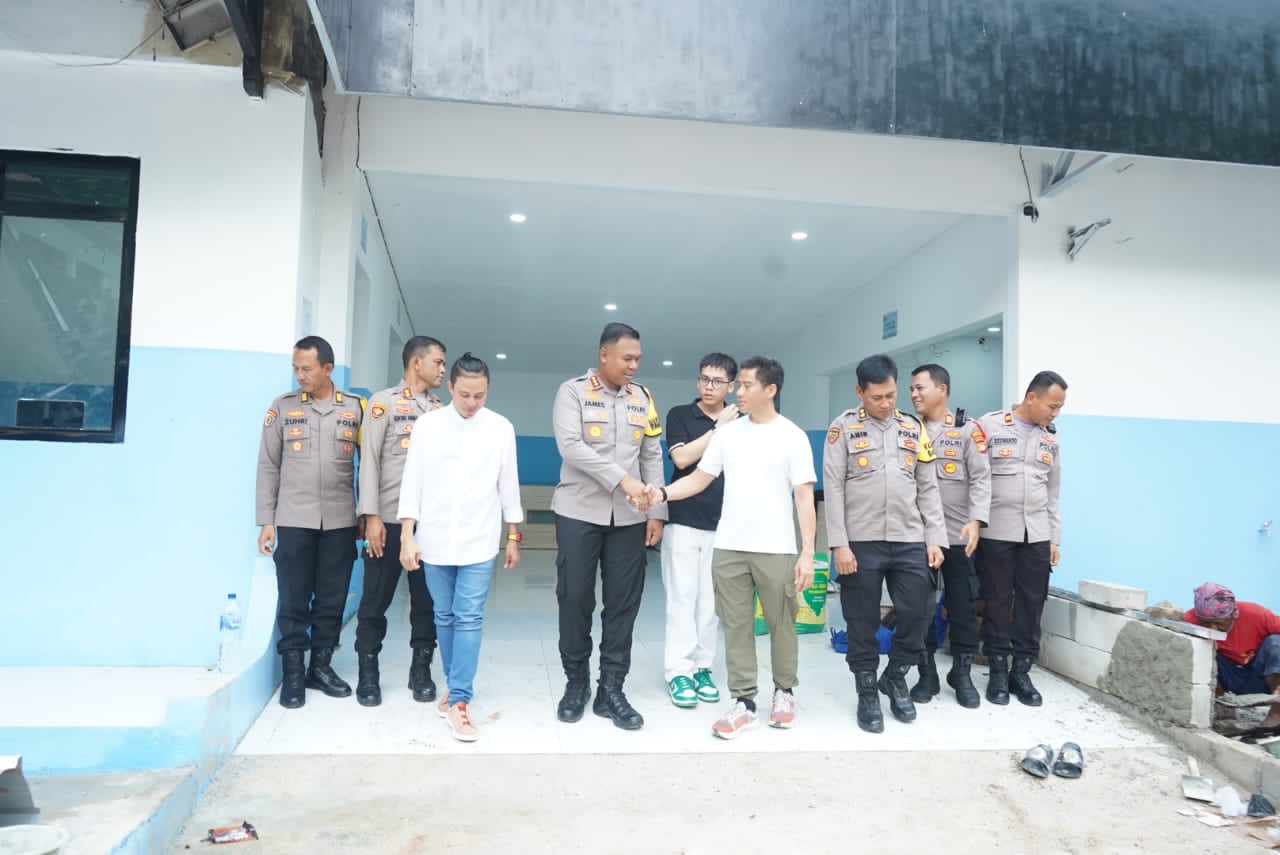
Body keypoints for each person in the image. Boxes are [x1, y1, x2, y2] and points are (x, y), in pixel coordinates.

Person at [643, 356, 817, 739]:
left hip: (776, 548)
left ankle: (784, 692)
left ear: (770, 390)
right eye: (739, 385)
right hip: (729, 547)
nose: (738, 391)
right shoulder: (727, 434)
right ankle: (744, 702)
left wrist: (807, 553)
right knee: (735, 627)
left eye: (747, 385)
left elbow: (805, 497)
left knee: (781, 624)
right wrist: (662, 493)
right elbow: (699, 478)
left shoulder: (793, 437)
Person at [398, 353, 523, 742]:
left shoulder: (500, 428)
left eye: (480, 395)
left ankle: (460, 700)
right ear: (450, 387)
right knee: (444, 615)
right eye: (465, 394)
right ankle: (455, 689)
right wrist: (407, 535)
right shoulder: (428, 426)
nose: (472, 403)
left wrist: (513, 535)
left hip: (479, 540)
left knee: (468, 616)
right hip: (434, 539)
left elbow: (508, 484)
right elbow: (412, 481)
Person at [551, 322, 666, 730]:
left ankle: (611, 690)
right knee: (575, 598)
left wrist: (657, 512)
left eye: (638, 359)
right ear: (604, 355)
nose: (634, 366)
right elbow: (571, 447)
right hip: (578, 511)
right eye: (626, 358)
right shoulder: (572, 392)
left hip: (630, 518)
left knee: (623, 604)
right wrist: (623, 480)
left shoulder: (643, 398)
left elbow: (651, 453)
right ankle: (576, 683)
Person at [823, 354, 946, 734]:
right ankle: (866, 691)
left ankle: (895, 676)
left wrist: (935, 538)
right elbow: (834, 487)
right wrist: (839, 544)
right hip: (861, 540)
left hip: (910, 537)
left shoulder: (913, 427)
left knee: (918, 611)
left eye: (891, 395)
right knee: (861, 620)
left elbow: (928, 486)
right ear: (860, 392)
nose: (886, 403)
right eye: (877, 397)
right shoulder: (843, 428)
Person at [255, 335, 364, 708]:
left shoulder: (355, 408)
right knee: (293, 597)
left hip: (340, 520)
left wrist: (365, 513)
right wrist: (266, 520)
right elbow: (268, 465)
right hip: (293, 518)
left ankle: (320, 667)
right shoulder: (283, 407)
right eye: (296, 368)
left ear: (327, 368)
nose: (300, 375)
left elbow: (369, 465)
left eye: (307, 368)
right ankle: (293, 674)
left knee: (332, 598)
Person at [353, 336, 448, 707]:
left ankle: (420, 670)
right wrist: (371, 516)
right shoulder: (383, 403)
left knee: (427, 601)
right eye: (438, 362)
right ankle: (368, 672)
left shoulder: (441, 410)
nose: (443, 370)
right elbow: (370, 462)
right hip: (388, 520)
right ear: (416, 363)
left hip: (429, 525)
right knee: (375, 599)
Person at [977, 371, 1067, 707]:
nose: (1055, 413)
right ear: (1032, 397)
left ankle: (1022, 671)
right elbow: (976, 479)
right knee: (997, 601)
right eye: (1052, 406)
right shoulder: (990, 426)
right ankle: (998, 671)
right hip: (997, 530)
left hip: (1037, 534)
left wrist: (1054, 538)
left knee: (1033, 602)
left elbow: (1053, 493)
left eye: (1059, 408)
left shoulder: (1050, 439)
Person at [907, 363, 991, 708]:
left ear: (941, 389)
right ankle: (926, 672)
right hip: (919, 535)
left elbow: (982, 478)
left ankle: (962, 672)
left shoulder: (968, 430)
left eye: (920, 388)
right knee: (920, 607)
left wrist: (977, 521)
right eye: (911, 389)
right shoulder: (907, 430)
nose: (914, 394)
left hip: (958, 535)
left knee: (963, 605)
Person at [660, 353, 739, 708]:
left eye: (717, 381)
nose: (709, 386)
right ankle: (678, 671)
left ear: (730, 386)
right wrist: (718, 429)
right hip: (683, 520)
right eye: (704, 379)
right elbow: (682, 459)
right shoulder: (680, 415)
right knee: (682, 598)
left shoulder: (741, 423)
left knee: (710, 604)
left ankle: (702, 667)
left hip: (723, 525)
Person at [1183, 583, 1280, 727]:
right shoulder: (1190, 620)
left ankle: (1277, 712)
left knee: (1276, 643)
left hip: (1260, 676)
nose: (1213, 628)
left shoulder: (1257, 615)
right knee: (1198, 648)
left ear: (1234, 614)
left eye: (1218, 623)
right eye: (1206, 623)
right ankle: (1223, 708)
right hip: (1226, 678)